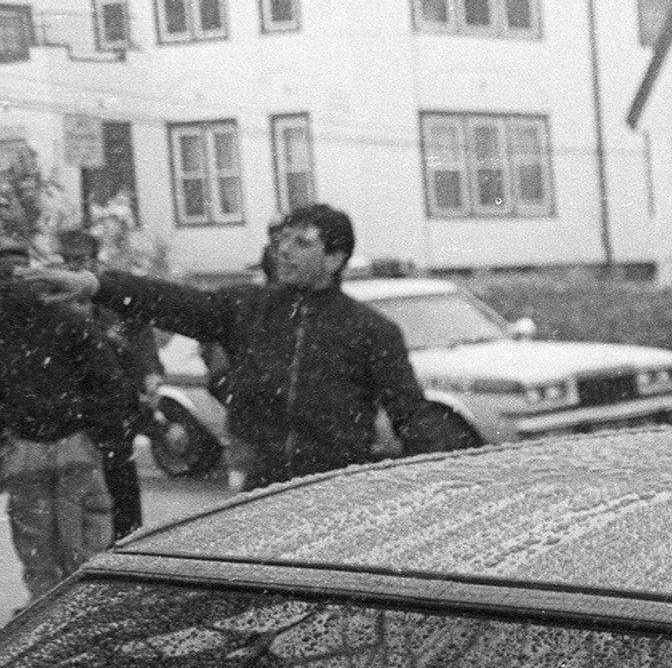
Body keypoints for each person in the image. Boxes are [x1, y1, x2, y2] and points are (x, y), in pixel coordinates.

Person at [24, 203, 446, 489]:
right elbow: (173, 301)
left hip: (333, 486)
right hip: (260, 484)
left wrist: (441, 483)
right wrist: (98, 285)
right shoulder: (247, 308)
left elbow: (411, 416)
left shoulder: (371, 330)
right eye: (283, 239)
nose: (284, 250)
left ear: (335, 259)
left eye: (302, 242)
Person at [0, 227, 127, 594]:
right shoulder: (67, 317)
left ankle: (47, 617)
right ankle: (82, 611)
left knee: (37, 548)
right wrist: (101, 436)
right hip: (74, 442)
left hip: (24, 446)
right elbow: (106, 381)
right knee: (87, 546)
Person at [52, 224, 158, 538]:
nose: (74, 266)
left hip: (115, 414)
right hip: (77, 415)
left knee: (121, 492)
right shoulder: (55, 303)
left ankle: (126, 546)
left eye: (81, 259)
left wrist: (149, 377)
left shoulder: (113, 302)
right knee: (81, 506)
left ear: (96, 261)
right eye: (68, 259)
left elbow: (142, 344)